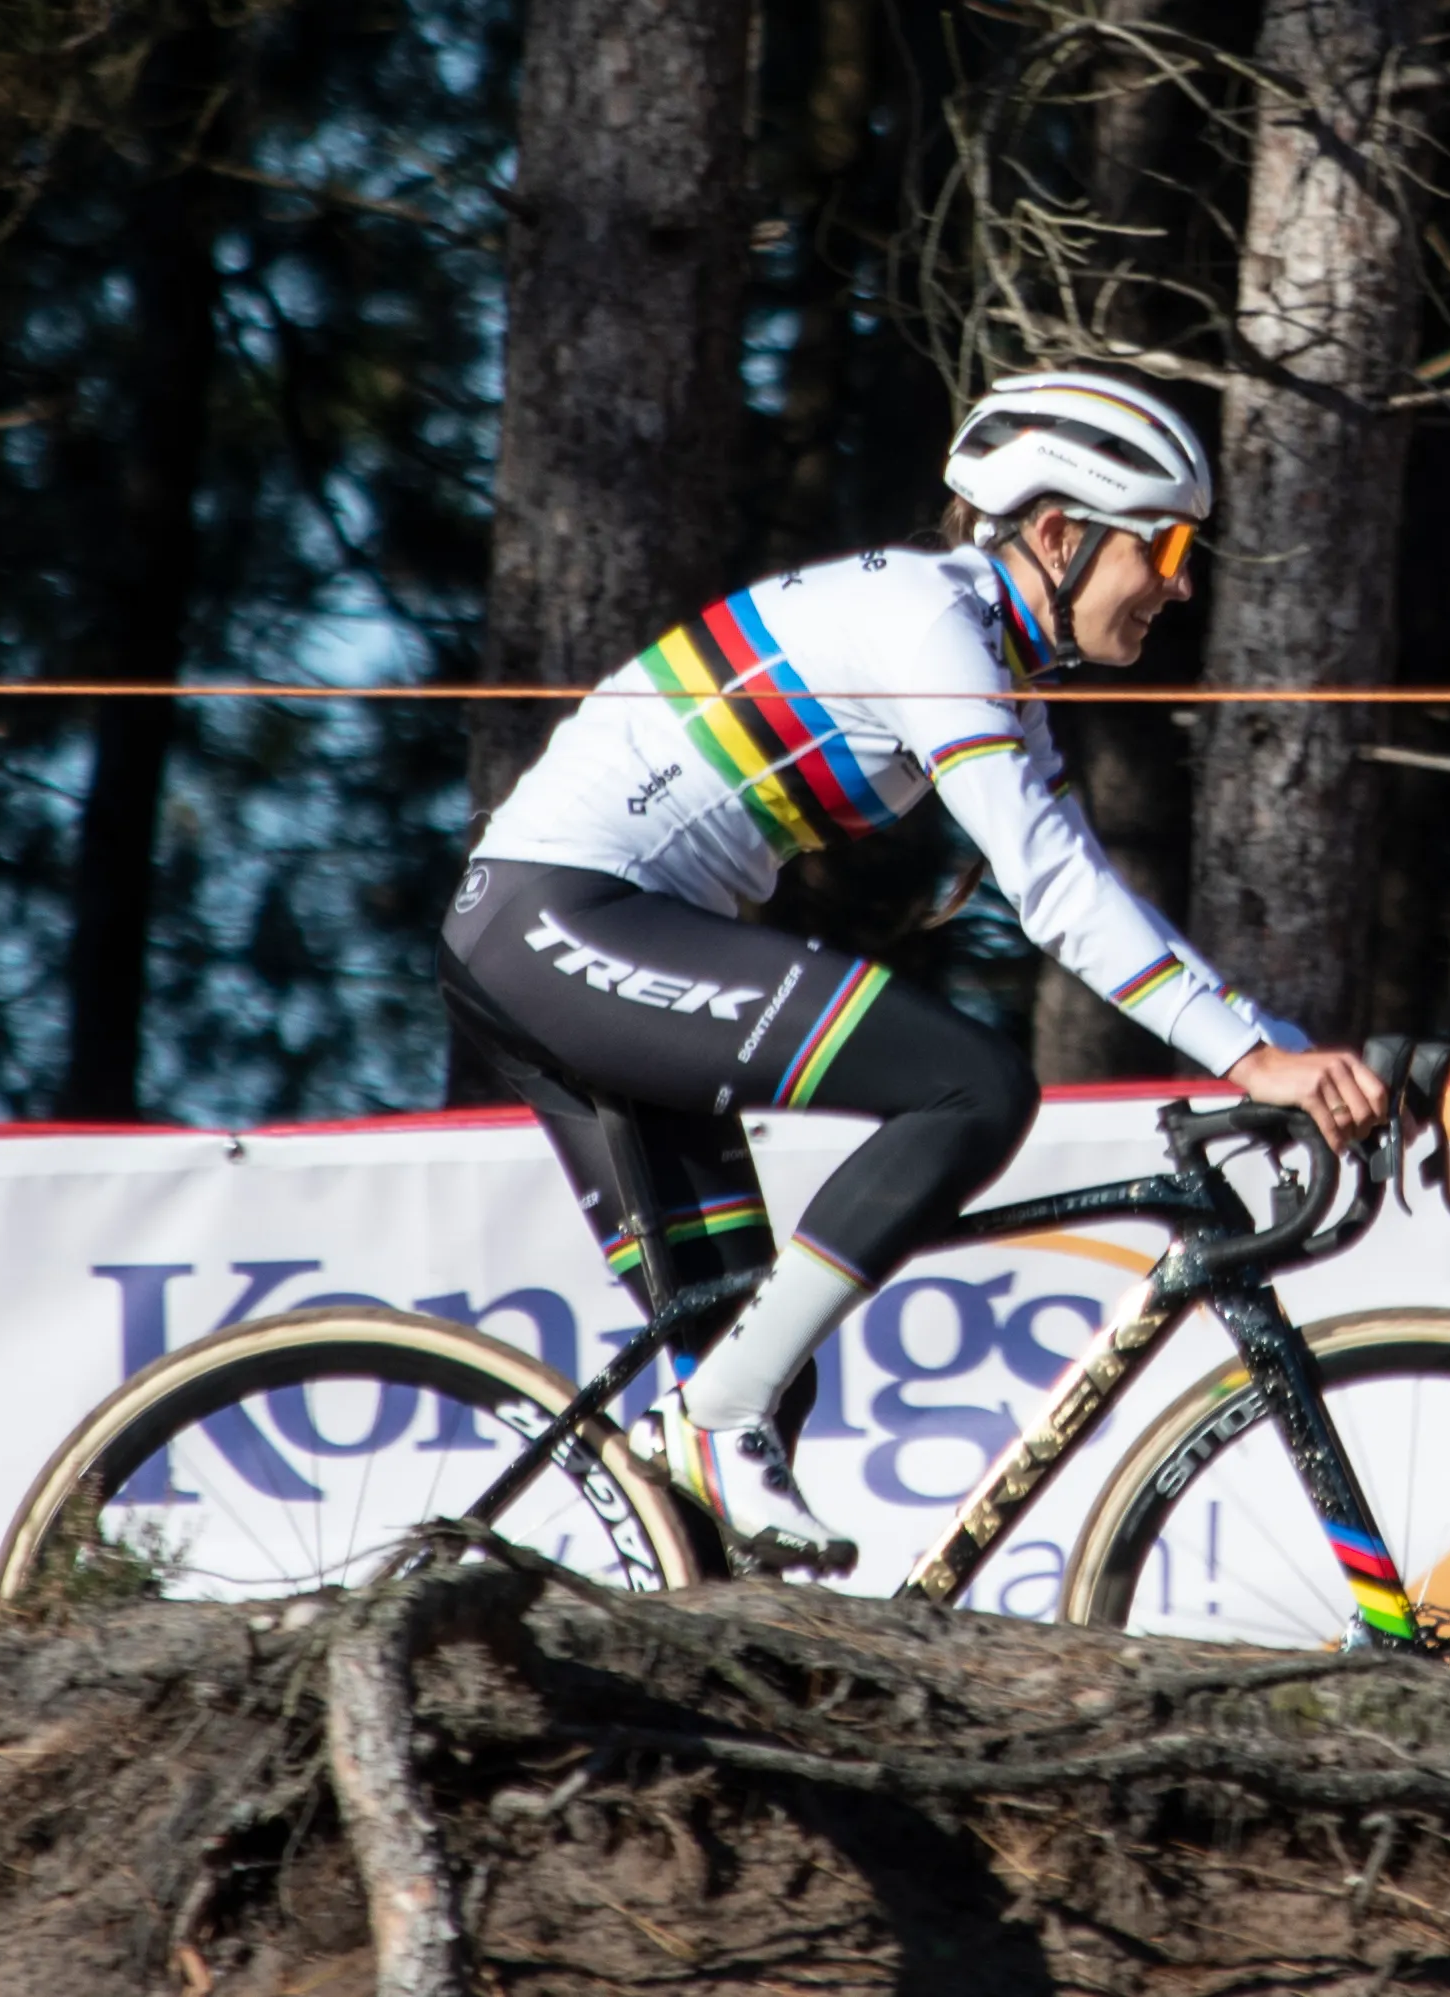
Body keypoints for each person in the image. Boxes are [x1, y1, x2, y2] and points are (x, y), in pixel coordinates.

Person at [437, 369, 1389, 1575]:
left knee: (749, 1370)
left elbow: (1076, 888)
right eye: (1169, 545)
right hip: (561, 921)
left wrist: (1263, 1037)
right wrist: (1258, 1054)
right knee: (969, 1089)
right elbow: (1053, 890)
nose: (1181, 582)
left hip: (562, 934)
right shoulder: (929, 622)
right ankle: (710, 1422)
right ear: (1057, 531)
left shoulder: (986, 655)